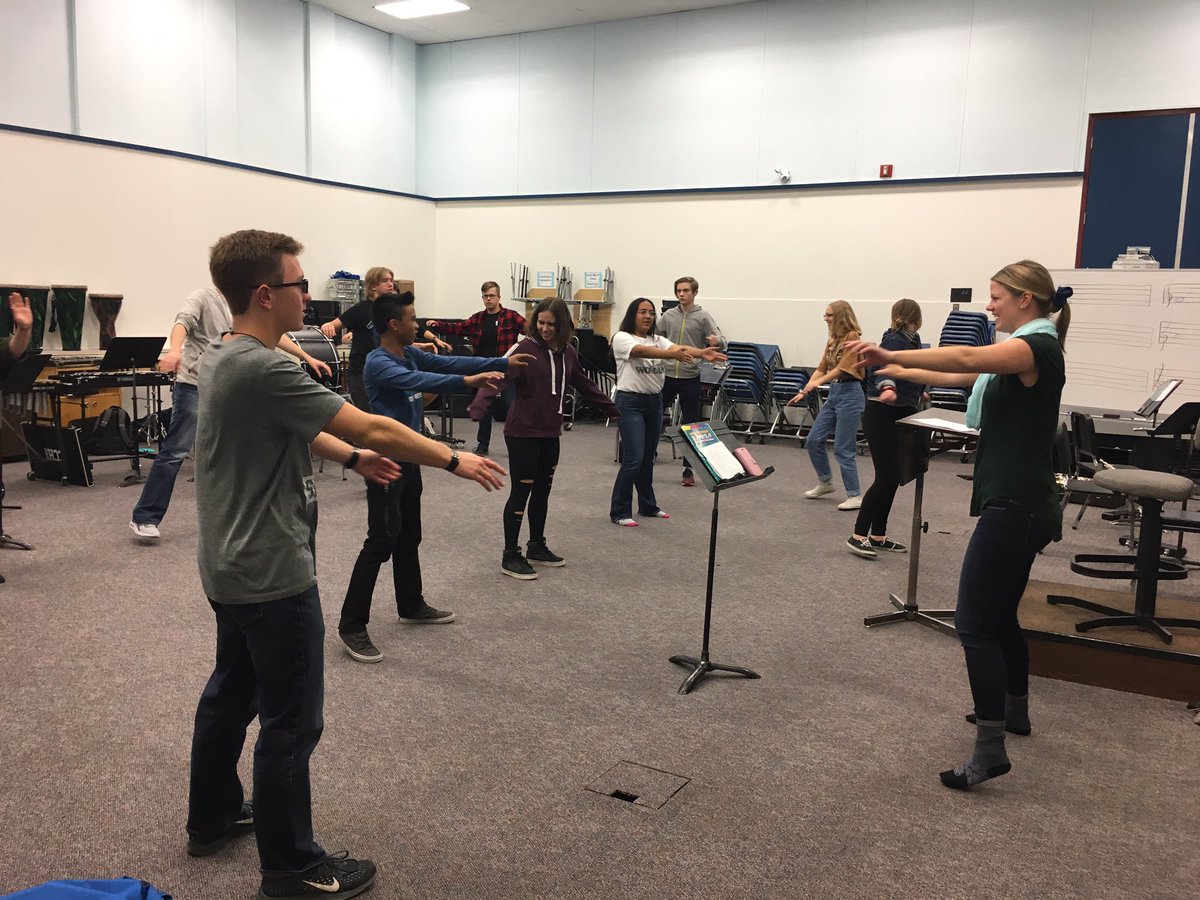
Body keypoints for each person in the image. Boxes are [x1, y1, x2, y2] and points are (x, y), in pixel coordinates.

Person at [186, 229, 504, 899]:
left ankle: (212, 814)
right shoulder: (267, 366)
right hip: (272, 572)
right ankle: (293, 867)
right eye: (301, 285)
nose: (314, 296)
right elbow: (372, 424)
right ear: (267, 293)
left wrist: (352, 460)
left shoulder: (225, 354)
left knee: (230, 695)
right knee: (291, 721)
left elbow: (302, 427)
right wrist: (452, 458)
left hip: (228, 565)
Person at [847, 260, 1071, 791]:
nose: (989, 306)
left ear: (1026, 299)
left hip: (1015, 504)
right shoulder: (1024, 347)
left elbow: (967, 355)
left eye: (996, 297)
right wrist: (900, 372)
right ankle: (1014, 712)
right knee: (999, 617)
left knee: (974, 623)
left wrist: (890, 353)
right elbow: (962, 374)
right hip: (1021, 500)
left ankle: (990, 750)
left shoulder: (1035, 346)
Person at [337, 291, 533, 663]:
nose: (419, 324)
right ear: (394, 325)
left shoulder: (408, 351)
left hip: (411, 459)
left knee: (409, 535)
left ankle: (410, 604)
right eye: (413, 319)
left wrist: (502, 362)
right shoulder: (379, 363)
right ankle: (351, 625)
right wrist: (472, 380)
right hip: (384, 465)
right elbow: (429, 378)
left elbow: (449, 362)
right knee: (379, 542)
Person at [129, 287, 333, 543]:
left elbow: (271, 334)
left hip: (228, 384)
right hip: (193, 384)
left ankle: (242, 520)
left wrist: (305, 356)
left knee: (236, 451)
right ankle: (145, 516)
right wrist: (174, 351)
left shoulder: (244, 303)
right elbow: (182, 322)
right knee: (176, 451)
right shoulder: (202, 298)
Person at [469, 297, 619, 579]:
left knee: (542, 491)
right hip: (522, 432)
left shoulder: (568, 352)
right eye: (541, 322)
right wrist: (480, 405)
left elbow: (584, 384)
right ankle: (510, 554)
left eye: (551, 324)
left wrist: (612, 409)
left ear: (563, 325)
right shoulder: (525, 348)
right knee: (521, 491)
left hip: (550, 432)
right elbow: (498, 375)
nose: (545, 328)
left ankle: (536, 544)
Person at [609, 297, 727, 526]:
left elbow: (678, 348)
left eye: (651, 313)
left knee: (646, 459)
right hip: (630, 402)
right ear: (633, 315)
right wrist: (672, 355)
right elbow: (642, 351)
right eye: (642, 312)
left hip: (654, 402)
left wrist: (703, 354)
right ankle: (620, 511)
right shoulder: (622, 338)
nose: (647, 316)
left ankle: (648, 506)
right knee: (634, 457)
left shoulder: (658, 339)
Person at [846, 298, 925, 558]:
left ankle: (878, 534)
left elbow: (911, 369)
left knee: (894, 476)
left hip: (900, 411)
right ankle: (858, 534)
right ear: (917, 316)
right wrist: (889, 387)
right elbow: (884, 368)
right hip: (882, 412)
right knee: (886, 476)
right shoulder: (895, 339)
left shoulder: (913, 339)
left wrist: (917, 391)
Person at [320, 267, 449, 411]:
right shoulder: (361, 309)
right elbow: (334, 324)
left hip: (386, 370)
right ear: (373, 286)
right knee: (370, 417)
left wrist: (434, 339)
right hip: (361, 374)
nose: (390, 284)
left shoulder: (391, 310)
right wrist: (328, 326)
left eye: (391, 280)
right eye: (385, 281)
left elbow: (416, 328)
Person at [426, 281, 526, 455]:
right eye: (485, 296)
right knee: (484, 409)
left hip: (505, 369)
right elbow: (457, 328)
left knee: (512, 407)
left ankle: (517, 445)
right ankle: (483, 445)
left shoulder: (511, 316)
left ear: (499, 297)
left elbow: (530, 330)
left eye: (491, 296)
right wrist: (438, 325)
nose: (488, 299)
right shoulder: (478, 319)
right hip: (483, 369)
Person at [788, 300, 866, 510]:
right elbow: (822, 367)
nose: (825, 318)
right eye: (825, 315)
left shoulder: (853, 337)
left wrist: (817, 384)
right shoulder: (833, 340)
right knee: (814, 440)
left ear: (840, 315)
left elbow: (843, 369)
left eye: (829, 315)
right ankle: (826, 482)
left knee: (843, 448)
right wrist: (805, 390)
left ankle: (854, 495)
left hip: (850, 394)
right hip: (835, 393)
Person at [656, 276, 726, 486]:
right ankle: (648, 454)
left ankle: (688, 468)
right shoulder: (668, 316)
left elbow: (721, 341)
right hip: (667, 375)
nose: (681, 294)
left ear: (694, 292)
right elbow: (655, 337)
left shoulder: (703, 317)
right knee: (653, 415)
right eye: (678, 291)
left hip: (690, 377)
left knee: (691, 425)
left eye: (686, 290)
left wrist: (717, 342)